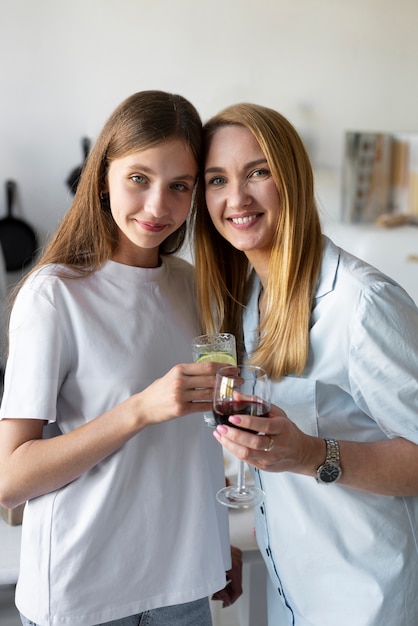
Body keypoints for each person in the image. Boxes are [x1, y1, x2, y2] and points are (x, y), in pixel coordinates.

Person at [0, 90, 242, 626]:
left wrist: (214, 538)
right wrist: (140, 409)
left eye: (179, 186)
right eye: (139, 178)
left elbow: (202, 438)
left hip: (184, 586)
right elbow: (10, 478)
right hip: (85, 592)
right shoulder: (55, 294)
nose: (159, 206)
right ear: (103, 173)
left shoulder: (199, 287)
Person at [192, 101, 418, 625]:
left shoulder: (362, 304)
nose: (237, 198)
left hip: (368, 601)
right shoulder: (251, 297)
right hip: (292, 592)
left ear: (290, 177)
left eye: (258, 172)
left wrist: (311, 454)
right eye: (217, 180)